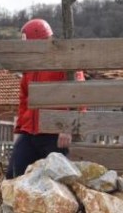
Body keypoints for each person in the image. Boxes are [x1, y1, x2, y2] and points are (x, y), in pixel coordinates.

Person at [5, 18, 85, 179]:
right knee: (14, 174)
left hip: (55, 133)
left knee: (57, 179)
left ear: (42, 42)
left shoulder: (64, 63)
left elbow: (80, 94)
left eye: (30, 45)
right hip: (30, 132)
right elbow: (24, 99)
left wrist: (68, 126)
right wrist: (20, 129)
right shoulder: (29, 67)